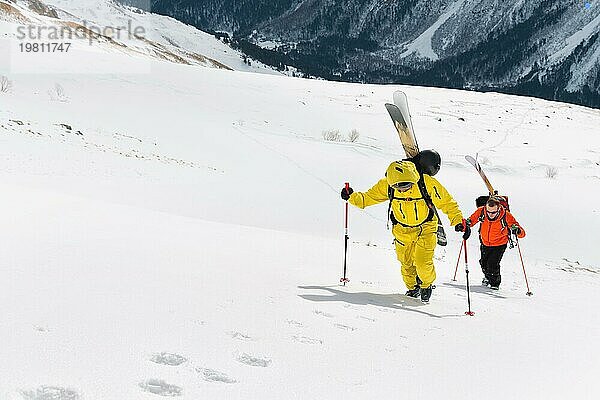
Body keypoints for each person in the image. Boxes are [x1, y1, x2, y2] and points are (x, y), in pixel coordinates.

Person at [341, 159, 468, 303]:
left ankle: (426, 285)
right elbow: (367, 199)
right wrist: (351, 196)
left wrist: (458, 221)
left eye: (406, 185)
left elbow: (447, 203)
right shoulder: (387, 185)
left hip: (425, 228)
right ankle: (413, 288)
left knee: (423, 263)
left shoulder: (426, 183)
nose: (402, 190)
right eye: (397, 187)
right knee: (406, 263)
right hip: (401, 230)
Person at [457, 196, 525, 290]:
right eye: (488, 212)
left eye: (493, 212)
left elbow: (521, 232)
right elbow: (470, 221)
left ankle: (494, 284)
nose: (490, 214)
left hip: (499, 244)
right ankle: (487, 277)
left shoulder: (506, 215)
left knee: (492, 264)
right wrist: (462, 226)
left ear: (498, 208)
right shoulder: (481, 211)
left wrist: (518, 231)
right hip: (485, 242)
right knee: (483, 263)